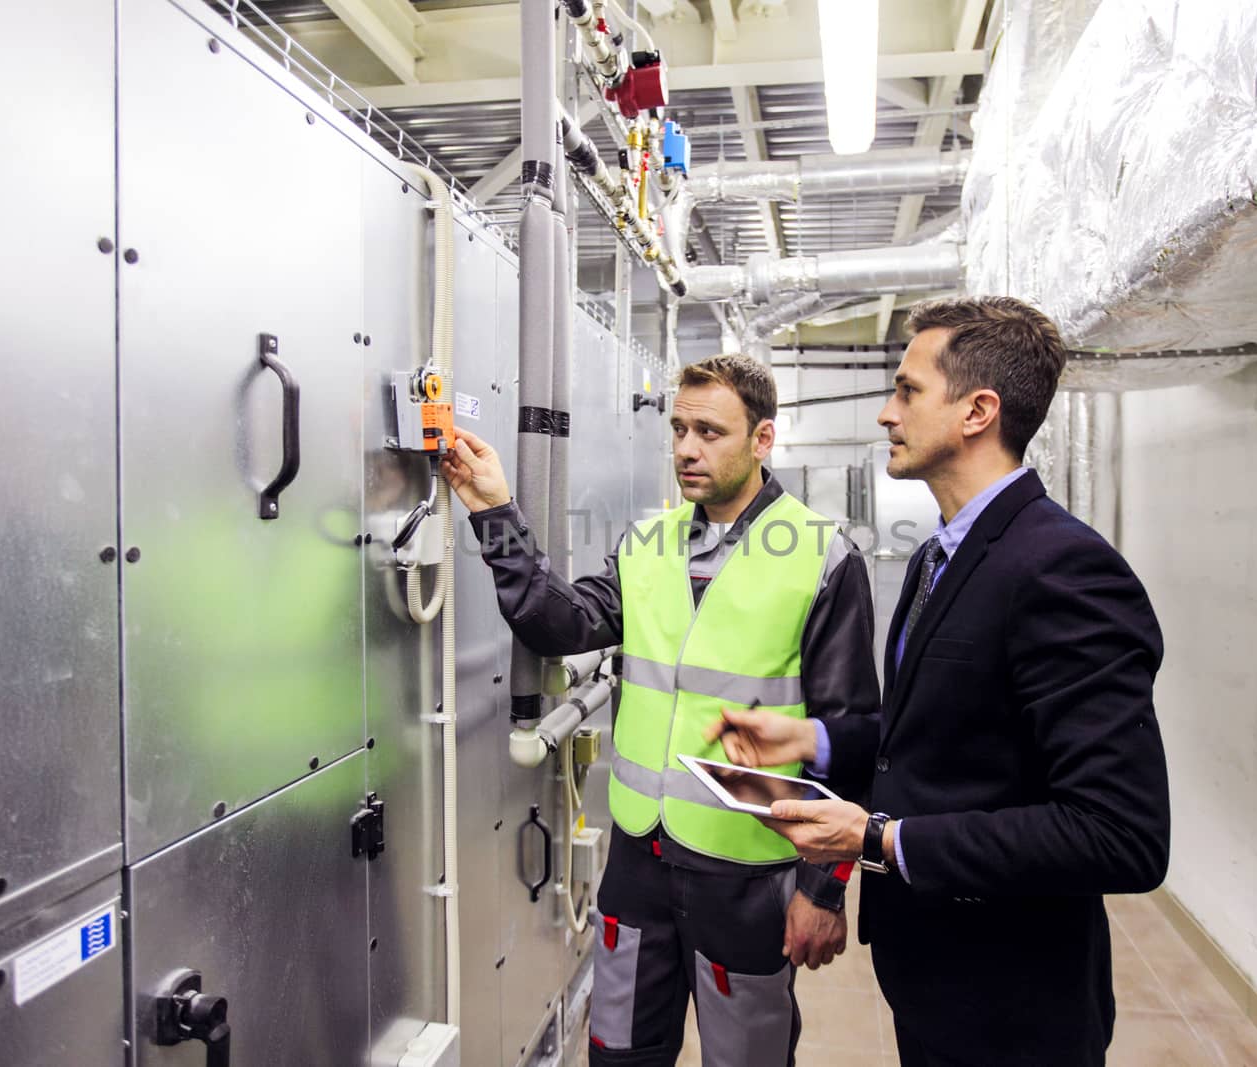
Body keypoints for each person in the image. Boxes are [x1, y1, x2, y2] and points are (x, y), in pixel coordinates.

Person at [708, 297, 1171, 1067]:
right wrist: (813, 737)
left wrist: (877, 839)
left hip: (1014, 1007)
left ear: (978, 411)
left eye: (908, 390)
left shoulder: (1062, 567)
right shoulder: (938, 557)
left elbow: (1119, 833)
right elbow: (938, 739)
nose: (887, 413)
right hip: (934, 982)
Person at [441, 354, 880, 1067]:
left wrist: (822, 889)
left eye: (709, 430)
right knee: (618, 1053)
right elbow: (562, 622)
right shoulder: (648, 543)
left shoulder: (822, 557)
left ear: (762, 440)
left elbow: (853, 735)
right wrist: (495, 511)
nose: (685, 447)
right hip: (638, 865)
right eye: (678, 428)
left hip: (748, 876)